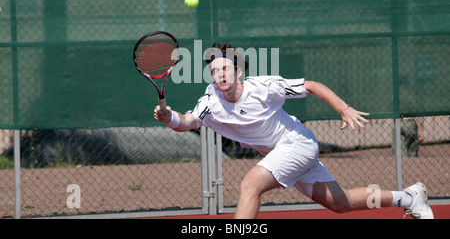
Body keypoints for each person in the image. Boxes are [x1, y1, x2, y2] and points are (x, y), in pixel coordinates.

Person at [154, 43, 434, 219]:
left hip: (296, 144)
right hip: (282, 154)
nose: (221, 74)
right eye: (215, 71)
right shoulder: (210, 101)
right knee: (341, 202)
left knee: (250, 184)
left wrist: (343, 107)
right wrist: (168, 117)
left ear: (239, 71)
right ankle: (408, 197)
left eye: (226, 68)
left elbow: (310, 85)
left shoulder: (263, 88)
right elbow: (187, 122)